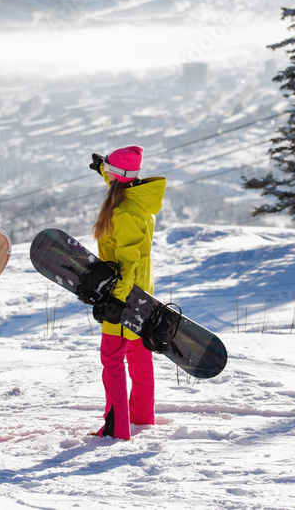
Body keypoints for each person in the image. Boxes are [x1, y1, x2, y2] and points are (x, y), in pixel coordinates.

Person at [87, 146, 167, 440]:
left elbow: (128, 263)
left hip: (123, 296)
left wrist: (117, 302)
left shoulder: (122, 213)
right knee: (139, 357)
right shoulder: (135, 198)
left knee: (112, 360)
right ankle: (143, 418)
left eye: (109, 169)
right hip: (143, 297)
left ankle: (116, 427)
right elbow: (118, 182)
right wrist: (103, 169)